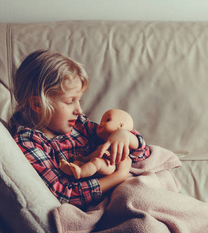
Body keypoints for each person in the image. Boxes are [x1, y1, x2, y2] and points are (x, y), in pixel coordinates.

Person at [9, 50, 150, 208]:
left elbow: (142, 155)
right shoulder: (28, 144)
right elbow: (64, 194)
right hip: (96, 207)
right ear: (37, 105)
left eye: (79, 100)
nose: (79, 110)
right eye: (70, 101)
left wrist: (124, 136)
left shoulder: (80, 125)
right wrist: (118, 176)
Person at [59, 109, 134, 180]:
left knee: (96, 162)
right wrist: (84, 158)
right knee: (82, 162)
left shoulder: (122, 144)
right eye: (101, 120)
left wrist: (110, 154)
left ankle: (80, 172)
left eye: (108, 120)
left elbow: (124, 156)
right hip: (95, 165)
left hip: (110, 166)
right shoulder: (100, 142)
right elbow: (95, 154)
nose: (101, 123)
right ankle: (71, 169)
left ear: (121, 126)